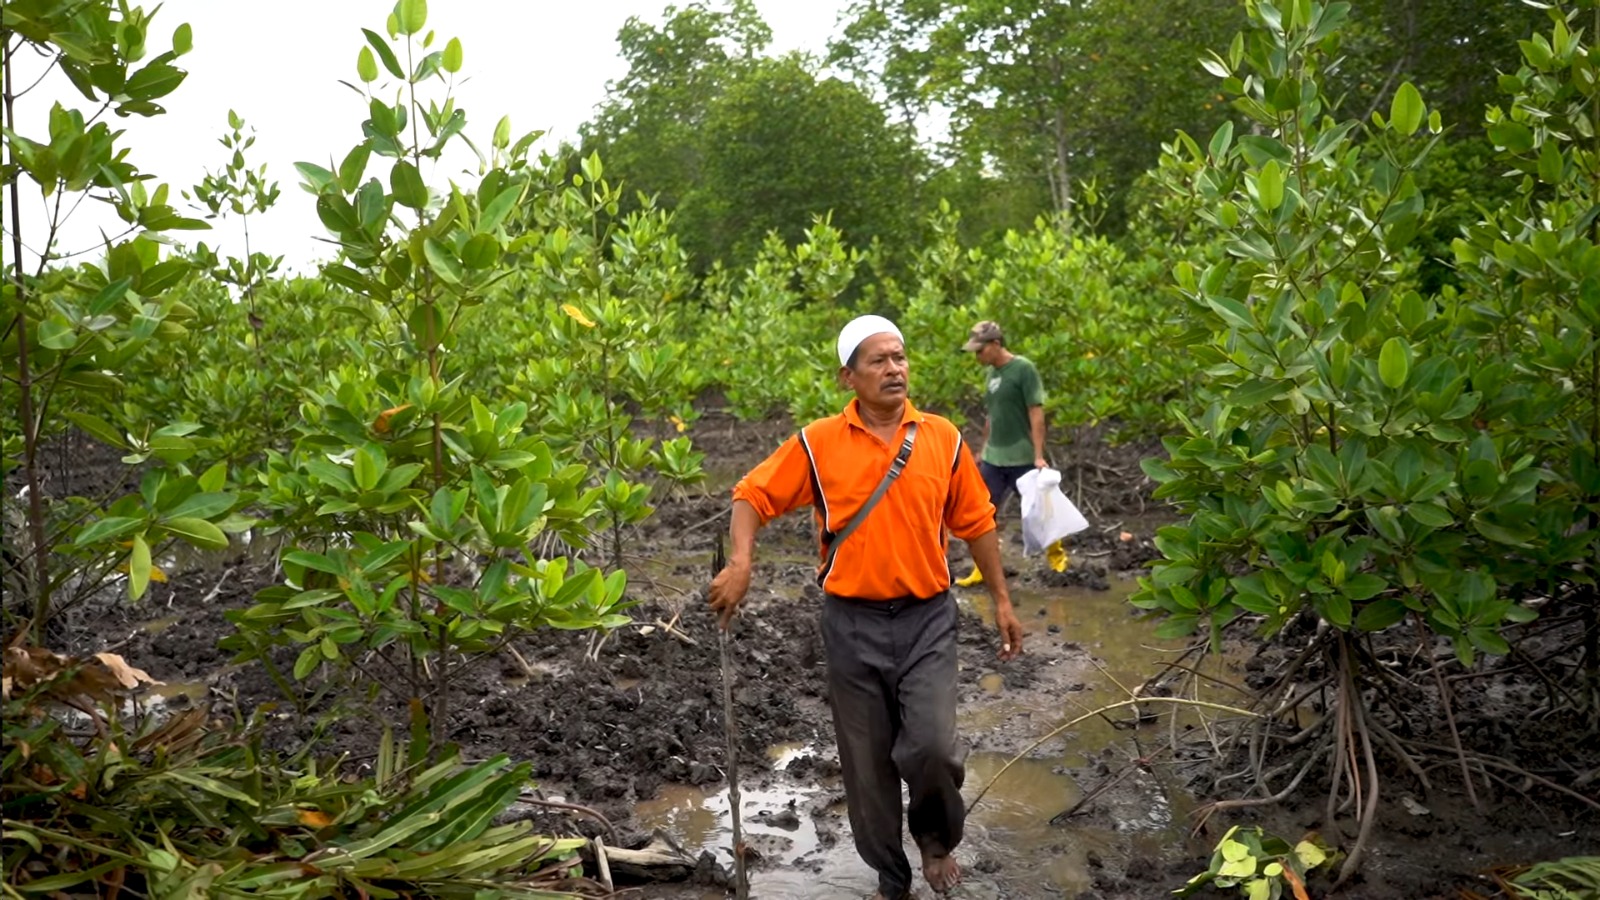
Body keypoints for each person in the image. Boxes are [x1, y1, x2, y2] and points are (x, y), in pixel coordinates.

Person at [708, 314, 1025, 900]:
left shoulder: (941, 438)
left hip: (928, 616)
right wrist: (742, 562)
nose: (894, 369)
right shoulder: (818, 442)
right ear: (847, 377)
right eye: (877, 360)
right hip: (850, 623)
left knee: (930, 745)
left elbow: (977, 523)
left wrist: (1003, 601)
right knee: (867, 764)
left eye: (899, 357)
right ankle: (890, 875)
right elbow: (752, 495)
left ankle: (934, 842)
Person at [954, 320, 1068, 587]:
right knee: (982, 513)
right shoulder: (990, 374)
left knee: (1040, 511)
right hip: (995, 458)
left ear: (995, 344)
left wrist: (1038, 455)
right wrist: (983, 450)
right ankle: (982, 569)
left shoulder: (1023, 369)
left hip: (1022, 456)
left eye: (980, 351)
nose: (977, 356)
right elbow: (992, 416)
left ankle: (1057, 561)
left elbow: (1036, 413)